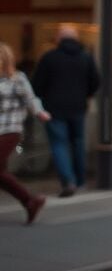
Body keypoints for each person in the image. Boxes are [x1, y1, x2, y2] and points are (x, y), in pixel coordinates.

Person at [31, 25, 100, 197]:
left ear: (58, 39)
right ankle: (80, 181)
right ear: (76, 38)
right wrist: (86, 94)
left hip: (54, 108)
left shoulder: (49, 58)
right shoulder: (86, 57)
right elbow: (96, 81)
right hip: (78, 106)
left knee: (59, 143)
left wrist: (43, 99)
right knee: (78, 142)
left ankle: (68, 181)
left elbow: (37, 85)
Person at [0, 43, 51, 224]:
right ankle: (30, 202)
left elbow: (31, 99)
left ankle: (30, 200)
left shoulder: (17, 79)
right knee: (1, 174)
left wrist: (39, 112)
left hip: (10, 129)